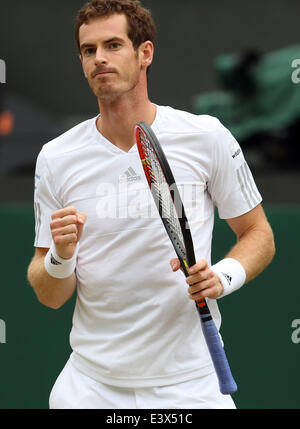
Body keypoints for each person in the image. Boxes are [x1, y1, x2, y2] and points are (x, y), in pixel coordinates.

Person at [27, 0, 275, 410]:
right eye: (89, 51)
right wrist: (60, 255)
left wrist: (222, 277)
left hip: (192, 385)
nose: (99, 59)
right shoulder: (55, 158)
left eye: (112, 45)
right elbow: (50, 294)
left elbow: (258, 233)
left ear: (145, 53)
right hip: (90, 388)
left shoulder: (206, 136)